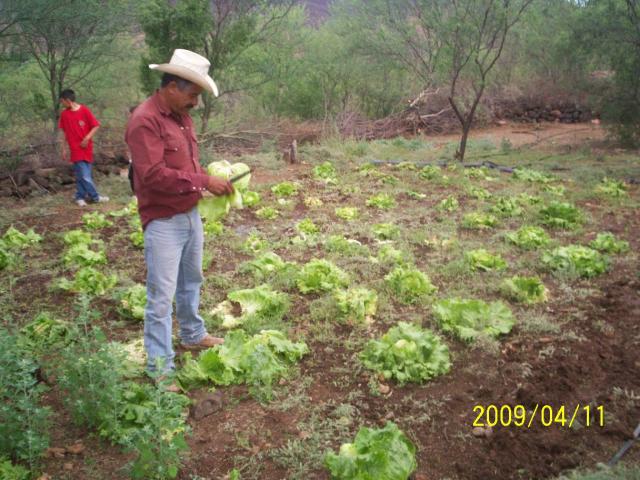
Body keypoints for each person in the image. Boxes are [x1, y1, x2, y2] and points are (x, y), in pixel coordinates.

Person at [125, 49, 233, 379]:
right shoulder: (145, 121)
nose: (195, 103)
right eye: (193, 95)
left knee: (191, 281)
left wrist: (206, 184)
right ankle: (160, 369)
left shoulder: (180, 117)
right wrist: (204, 181)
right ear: (172, 86)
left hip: (189, 212)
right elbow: (153, 175)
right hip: (163, 221)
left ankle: (192, 334)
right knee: (160, 298)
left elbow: (184, 164)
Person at [58, 89, 109, 206]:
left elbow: (95, 126)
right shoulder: (64, 114)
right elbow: (64, 132)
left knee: (83, 175)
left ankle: (80, 197)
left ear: (68, 100)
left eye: (62, 101)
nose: (62, 104)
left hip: (87, 148)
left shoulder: (84, 110)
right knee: (85, 175)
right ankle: (95, 197)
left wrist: (87, 138)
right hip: (75, 149)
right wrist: (63, 147)